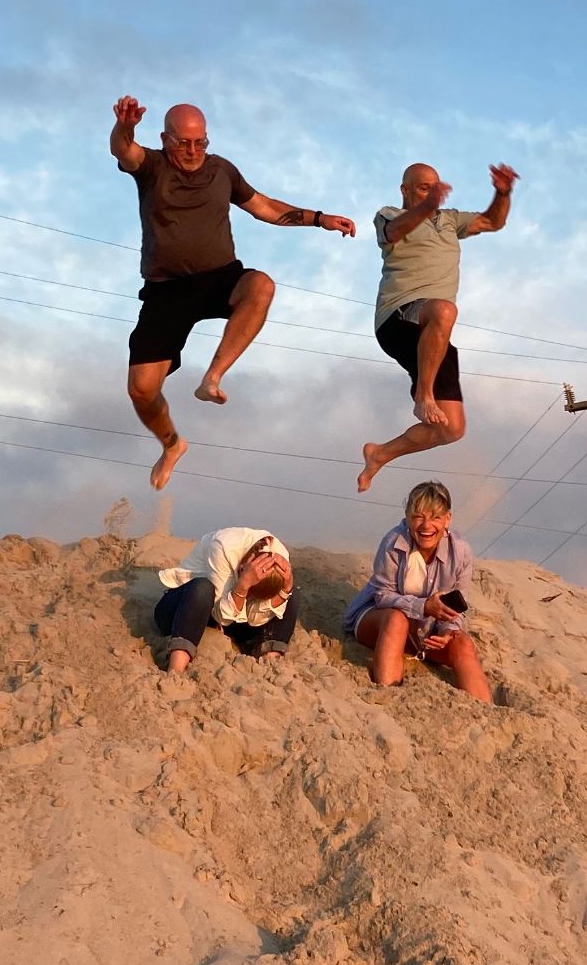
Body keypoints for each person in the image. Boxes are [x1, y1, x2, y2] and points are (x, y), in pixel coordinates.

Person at [110, 97, 356, 489]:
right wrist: (125, 127)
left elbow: (266, 208)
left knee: (261, 285)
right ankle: (172, 444)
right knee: (141, 390)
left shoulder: (221, 170)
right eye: (182, 143)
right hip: (166, 291)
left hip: (219, 278)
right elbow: (124, 150)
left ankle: (212, 377)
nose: (192, 152)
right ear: (165, 139)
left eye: (199, 143)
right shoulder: (152, 166)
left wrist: (319, 219)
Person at [357, 161, 518, 492]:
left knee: (452, 428)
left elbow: (493, 221)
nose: (432, 193)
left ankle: (380, 454)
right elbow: (395, 232)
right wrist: (427, 206)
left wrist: (502, 192)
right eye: (423, 188)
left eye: (435, 187)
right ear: (405, 190)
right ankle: (423, 395)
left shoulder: (449, 220)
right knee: (444, 310)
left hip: (433, 332)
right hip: (398, 316)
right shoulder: (387, 214)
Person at [344, 481, 491, 700]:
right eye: (418, 516)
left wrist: (446, 631)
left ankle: (485, 713)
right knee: (397, 619)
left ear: (448, 519)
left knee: (463, 642)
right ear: (407, 516)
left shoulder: (461, 552)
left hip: (426, 632)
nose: (426, 525)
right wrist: (423, 606)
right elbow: (382, 596)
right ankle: (387, 696)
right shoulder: (394, 542)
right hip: (379, 620)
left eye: (435, 517)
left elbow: (457, 607)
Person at [153, 527, 299, 674]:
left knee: (292, 592)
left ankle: (270, 658)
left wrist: (284, 592)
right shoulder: (224, 546)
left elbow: (255, 619)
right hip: (186, 611)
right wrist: (243, 585)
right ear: (242, 567)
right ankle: (175, 669)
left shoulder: (281, 558)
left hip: (234, 619)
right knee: (203, 588)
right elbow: (221, 617)